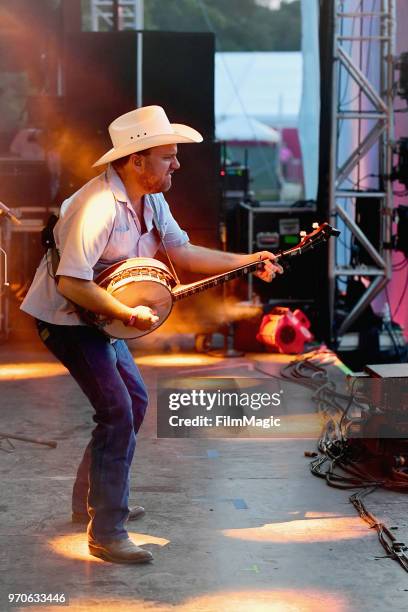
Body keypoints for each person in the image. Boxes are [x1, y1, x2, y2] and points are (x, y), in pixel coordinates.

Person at [21, 105, 283, 564]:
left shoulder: (151, 197)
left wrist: (246, 259)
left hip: (101, 318)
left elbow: (181, 250)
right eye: (167, 157)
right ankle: (106, 529)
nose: (177, 165)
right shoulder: (96, 207)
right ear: (136, 160)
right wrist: (126, 311)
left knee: (133, 402)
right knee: (118, 411)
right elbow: (71, 282)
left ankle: (92, 499)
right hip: (66, 320)